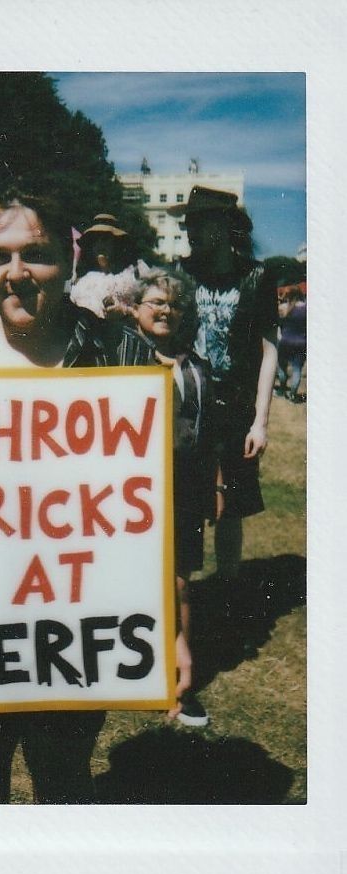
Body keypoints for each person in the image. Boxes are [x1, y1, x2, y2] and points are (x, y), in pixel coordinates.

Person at [0, 187, 167, 804]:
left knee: (62, 760)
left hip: (80, 597)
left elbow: (148, 487)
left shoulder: (118, 351)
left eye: (35, 254)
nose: (15, 274)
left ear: (70, 262)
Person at [167, 186, 278, 599]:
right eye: (189, 222)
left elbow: (270, 349)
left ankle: (229, 590)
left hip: (235, 408)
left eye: (201, 221)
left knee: (232, 504)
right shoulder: (182, 272)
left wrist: (260, 421)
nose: (191, 229)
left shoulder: (257, 276)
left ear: (226, 226)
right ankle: (183, 593)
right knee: (187, 501)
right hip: (189, 405)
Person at [120, 268, 214, 727]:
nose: (164, 310)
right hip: (130, 492)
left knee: (179, 583)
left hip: (185, 490)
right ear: (135, 310)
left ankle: (181, 681)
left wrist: (214, 486)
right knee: (132, 579)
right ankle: (136, 670)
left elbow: (207, 435)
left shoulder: (197, 367)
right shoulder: (119, 361)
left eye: (173, 304)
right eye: (154, 301)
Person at [69, 213, 138, 319]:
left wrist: (125, 310)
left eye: (106, 240)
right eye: (96, 240)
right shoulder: (82, 281)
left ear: (116, 244)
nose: (101, 245)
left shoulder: (131, 277)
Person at [275, 281, 306, 402]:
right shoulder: (308, 309)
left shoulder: (283, 308)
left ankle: (282, 390)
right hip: (301, 343)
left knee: (282, 367)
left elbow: (278, 323)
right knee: (297, 369)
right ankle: (293, 395)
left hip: (285, 342)